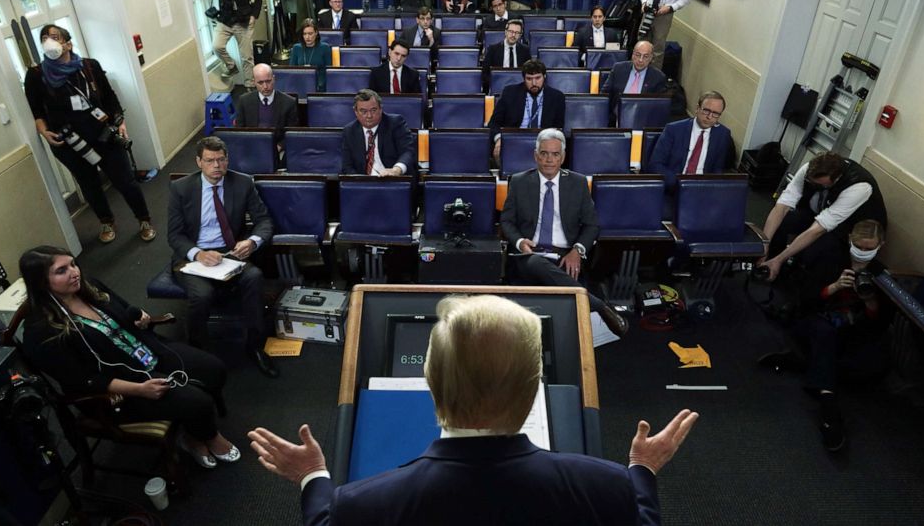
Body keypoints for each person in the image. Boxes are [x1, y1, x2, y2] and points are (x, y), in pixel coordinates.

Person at [249, 294, 697, 525]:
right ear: (532, 387)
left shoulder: (361, 506)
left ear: (432, 384)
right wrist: (641, 468)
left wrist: (312, 476)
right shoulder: (606, 487)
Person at [18, 245, 239, 468]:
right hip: (117, 390)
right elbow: (83, 381)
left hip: (146, 350)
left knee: (214, 369)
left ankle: (193, 432)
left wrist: (139, 316)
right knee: (199, 403)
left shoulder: (88, 286)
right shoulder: (40, 331)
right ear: (41, 282)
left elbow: (125, 309)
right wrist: (140, 390)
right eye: (61, 270)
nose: (75, 272)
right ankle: (206, 437)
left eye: (73, 264)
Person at [758, 220, 890, 451]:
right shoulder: (831, 261)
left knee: (871, 364)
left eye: (869, 248)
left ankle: (804, 364)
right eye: (859, 246)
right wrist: (834, 287)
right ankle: (829, 408)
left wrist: (870, 301)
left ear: (881, 245)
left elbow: (877, 324)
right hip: (816, 321)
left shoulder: (880, 274)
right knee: (825, 334)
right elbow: (806, 302)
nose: (863, 251)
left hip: (850, 330)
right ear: (850, 240)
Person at [23, 24, 155, 244]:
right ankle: (106, 221)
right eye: (44, 38)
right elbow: (36, 110)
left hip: (104, 135)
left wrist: (120, 122)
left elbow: (110, 97)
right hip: (69, 143)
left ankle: (144, 219)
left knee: (125, 181)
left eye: (54, 37)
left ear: (67, 43)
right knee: (90, 185)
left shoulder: (89, 67)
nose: (49, 41)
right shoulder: (36, 75)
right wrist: (45, 133)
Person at [167, 137, 278, 378]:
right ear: (199, 162)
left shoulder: (243, 183)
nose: (216, 166)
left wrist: (252, 241)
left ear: (227, 160)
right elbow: (174, 235)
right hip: (194, 257)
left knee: (254, 277)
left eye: (221, 160)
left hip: (229, 253)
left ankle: (255, 346)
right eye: (209, 161)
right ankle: (198, 355)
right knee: (202, 295)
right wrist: (198, 253)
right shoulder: (181, 189)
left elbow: (264, 220)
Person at [502, 129, 630, 336]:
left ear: (563, 157)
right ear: (535, 155)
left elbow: (591, 225)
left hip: (565, 255)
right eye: (543, 153)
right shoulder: (519, 181)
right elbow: (506, 221)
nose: (548, 160)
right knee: (535, 262)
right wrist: (519, 242)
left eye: (555, 154)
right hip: (529, 254)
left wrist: (577, 251)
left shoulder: (577, 183)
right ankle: (600, 306)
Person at [759, 152, 887, 282]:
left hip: (846, 229)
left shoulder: (859, 187)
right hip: (819, 212)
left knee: (815, 252)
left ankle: (796, 280)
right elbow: (781, 207)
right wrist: (764, 245)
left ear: (836, 179)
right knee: (783, 222)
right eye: (815, 184)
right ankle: (769, 266)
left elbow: (818, 229)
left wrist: (780, 260)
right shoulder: (808, 170)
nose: (818, 188)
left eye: (823, 186)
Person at [190, 0, 263, 89]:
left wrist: (254, 16)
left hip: (243, 21)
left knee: (247, 57)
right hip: (226, 20)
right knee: (216, 46)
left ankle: (250, 85)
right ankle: (231, 66)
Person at [648, 91, 732, 191]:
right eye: (706, 111)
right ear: (697, 108)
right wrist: (681, 184)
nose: (709, 117)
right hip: (674, 186)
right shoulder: (673, 129)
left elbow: (717, 169)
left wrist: (710, 187)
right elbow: (655, 164)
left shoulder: (723, 134)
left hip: (702, 189)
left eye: (715, 114)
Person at [488, 60, 565, 165]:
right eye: (529, 79)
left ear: (544, 77)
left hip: (544, 143)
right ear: (524, 79)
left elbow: (558, 128)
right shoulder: (510, 93)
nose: (534, 83)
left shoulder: (557, 97)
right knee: (498, 151)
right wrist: (499, 139)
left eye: (538, 78)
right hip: (514, 141)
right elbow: (494, 123)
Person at [340, 89, 415, 176]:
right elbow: (347, 166)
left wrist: (396, 170)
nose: (369, 116)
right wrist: (360, 182)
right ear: (356, 112)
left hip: (392, 180)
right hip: (363, 183)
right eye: (363, 111)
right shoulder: (349, 131)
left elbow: (408, 151)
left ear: (380, 109)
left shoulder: (395, 123)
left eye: (373, 110)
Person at [235, 63, 298, 160]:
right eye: (260, 83)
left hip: (277, 149)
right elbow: (239, 131)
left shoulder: (289, 102)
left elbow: (292, 133)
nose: (265, 86)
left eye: (268, 81)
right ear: (254, 82)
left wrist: (279, 147)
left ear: (274, 78)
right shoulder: (244, 101)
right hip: (251, 148)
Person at [602, 40, 667, 126]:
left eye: (645, 56)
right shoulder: (618, 69)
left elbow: (658, 109)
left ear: (651, 58)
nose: (640, 60)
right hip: (615, 120)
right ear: (633, 54)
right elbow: (604, 95)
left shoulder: (658, 77)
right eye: (638, 55)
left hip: (642, 122)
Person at [638, 0, 692, 70]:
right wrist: (644, 2)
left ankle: (652, 81)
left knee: (657, 50)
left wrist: (671, 7)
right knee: (641, 44)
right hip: (647, 11)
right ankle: (637, 76)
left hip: (663, 15)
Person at [291, 19, 332, 93]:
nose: (307, 37)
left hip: (319, 87)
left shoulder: (325, 47)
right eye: (304, 34)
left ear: (316, 33)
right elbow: (292, 72)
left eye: (310, 34)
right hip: (300, 85)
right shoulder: (296, 48)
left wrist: (319, 85)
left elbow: (328, 72)